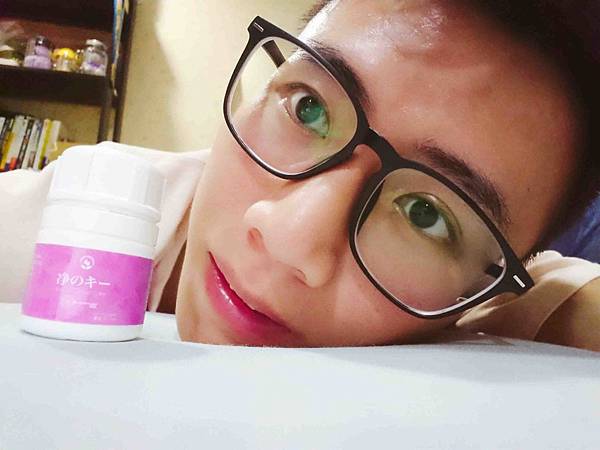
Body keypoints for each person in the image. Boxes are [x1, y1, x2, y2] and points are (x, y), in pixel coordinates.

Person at [1, 0, 600, 350]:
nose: (286, 235)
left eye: (427, 215)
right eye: (309, 108)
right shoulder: (31, 241)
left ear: (485, 296)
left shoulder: (502, 304)